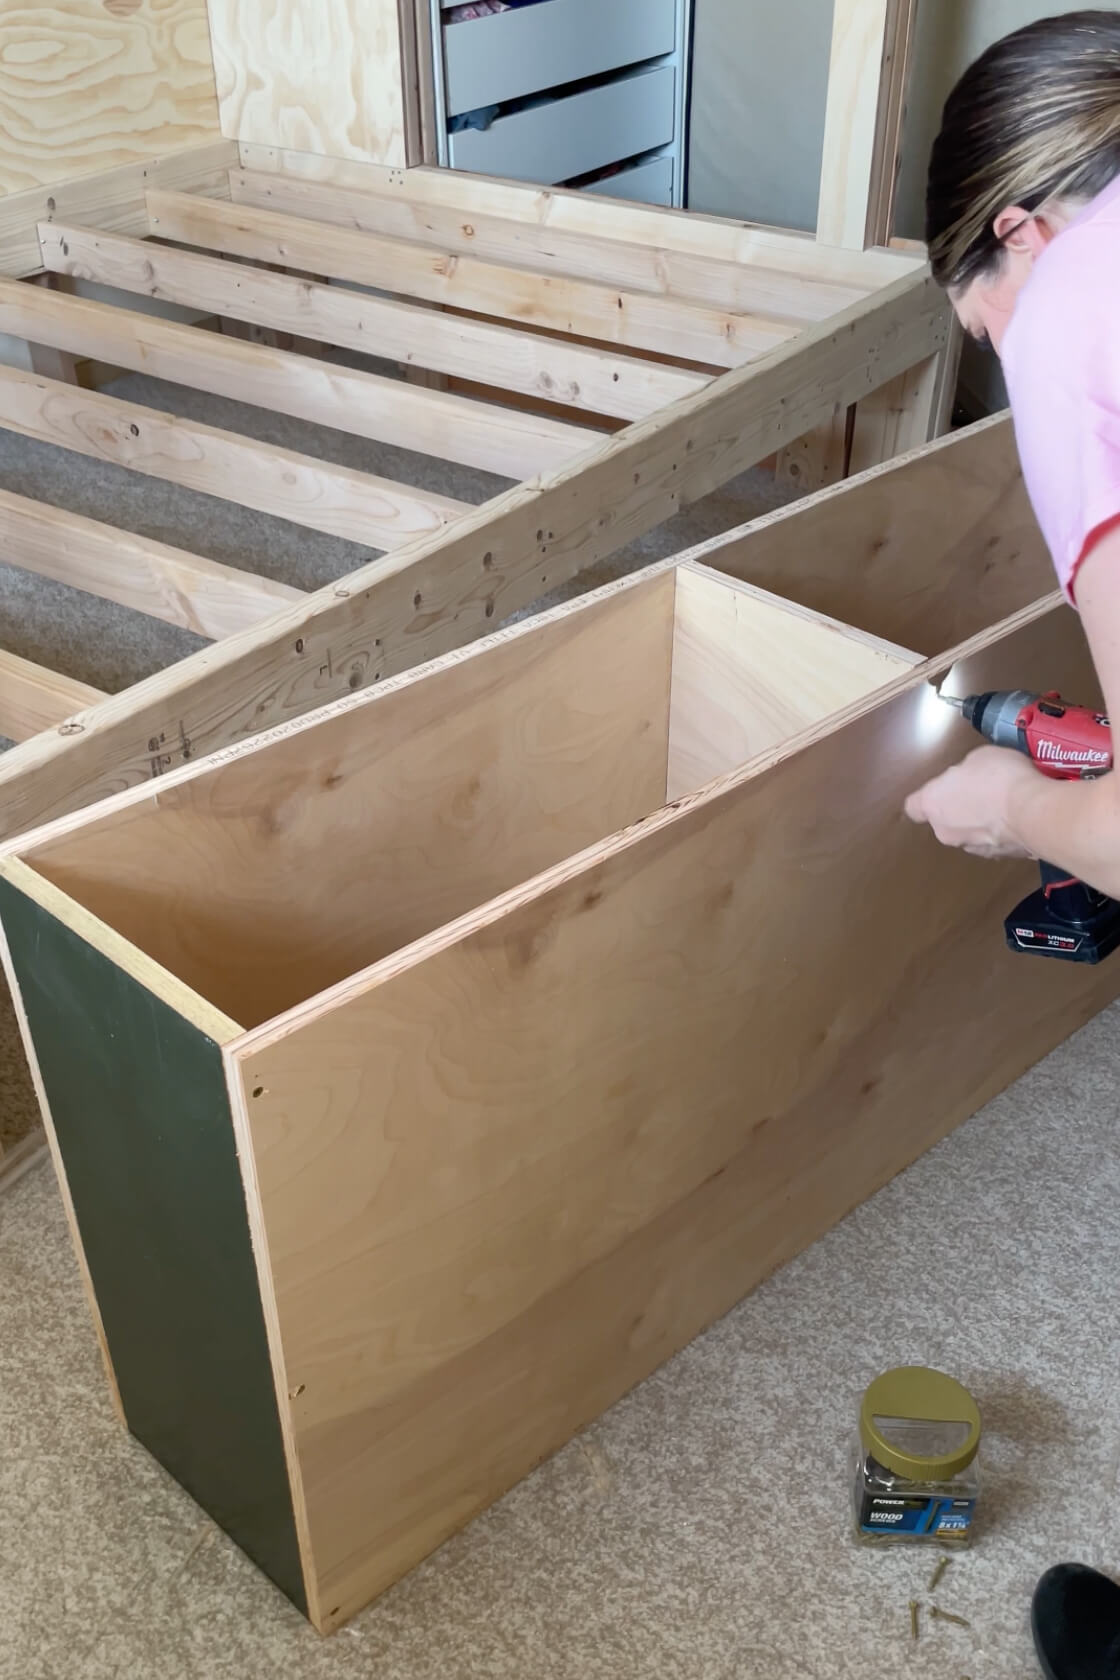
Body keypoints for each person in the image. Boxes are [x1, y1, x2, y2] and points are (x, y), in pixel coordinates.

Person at [909, 13, 1120, 1680]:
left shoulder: (1073, 331)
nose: (994, 353)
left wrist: (1027, 815)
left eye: (972, 317)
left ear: (1021, 233)